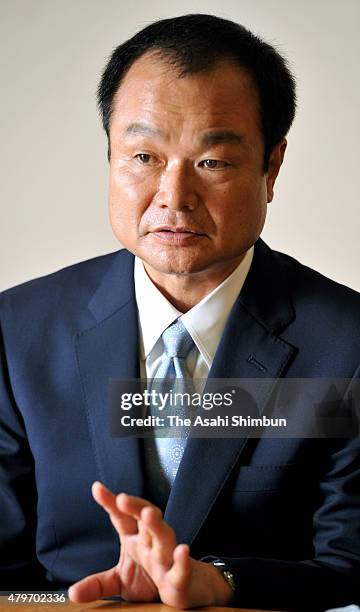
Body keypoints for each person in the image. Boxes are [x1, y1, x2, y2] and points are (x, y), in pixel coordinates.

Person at [0, 13, 359, 611]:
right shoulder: (18, 331)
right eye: (143, 156)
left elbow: (350, 567)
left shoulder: (346, 346)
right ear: (110, 155)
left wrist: (222, 582)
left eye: (212, 162)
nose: (173, 196)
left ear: (272, 166)